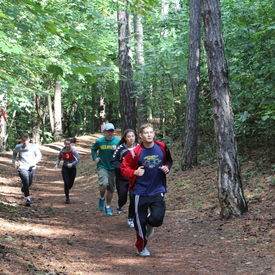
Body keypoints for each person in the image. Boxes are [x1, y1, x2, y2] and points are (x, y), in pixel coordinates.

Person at [120, 123, 173, 256]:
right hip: (140, 191)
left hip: (157, 188)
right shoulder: (134, 152)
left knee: (157, 219)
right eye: (146, 133)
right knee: (140, 222)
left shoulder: (162, 147)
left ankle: (150, 224)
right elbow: (123, 169)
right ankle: (141, 247)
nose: (149, 135)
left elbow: (169, 161)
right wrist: (134, 173)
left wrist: (167, 167)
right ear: (141, 136)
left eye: (151, 132)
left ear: (153, 134)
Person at [91, 123, 120, 216]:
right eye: (108, 131)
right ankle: (102, 198)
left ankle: (108, 207)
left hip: (112, 167)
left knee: (111, 189)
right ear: (104, 132)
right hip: (102, 165)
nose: (110, 133)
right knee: (104, 184)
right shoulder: (99, 141)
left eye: (111, 131)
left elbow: (123, 153)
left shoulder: (118, 141)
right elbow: (93, 149)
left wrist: (117, 150)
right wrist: (95, 157)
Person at [111, 129, 138, 228]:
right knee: (123, 198)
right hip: (122, 178)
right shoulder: (120, 148)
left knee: (133, 197)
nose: (131, 138)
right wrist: (123, 167)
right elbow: (113, 161)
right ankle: (120, 204)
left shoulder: (139, 147)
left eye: (133, 136)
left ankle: (131, 218)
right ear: (125, 138)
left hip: (134, 178)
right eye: (129, 136)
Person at [12, 133, 42, 206]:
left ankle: (24, 189)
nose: (25, 142)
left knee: (29, 183)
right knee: (25, 181)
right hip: (22, 167)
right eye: (23, 140)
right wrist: (14, 162)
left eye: (26, 140)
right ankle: (28, 199)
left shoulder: (33, 147)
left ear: (29, 140)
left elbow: (39, 155)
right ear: (21, 140)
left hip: (32, 167)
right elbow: (14, 153)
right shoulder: (18, 147)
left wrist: (35, 162)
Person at [54, 138, 80, 204]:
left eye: (68, 144)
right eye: (66, 144)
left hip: (73, 169)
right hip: (65, 168)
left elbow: (78, 159)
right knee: (66, 182)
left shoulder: (73, 151)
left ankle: (67, 189)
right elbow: (59, 158)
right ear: (64, 144)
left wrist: (72, 164)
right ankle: (67, 198)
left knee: (70, 184)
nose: (67, 145)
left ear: (70, 144)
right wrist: (56, 164)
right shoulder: (62, 151)